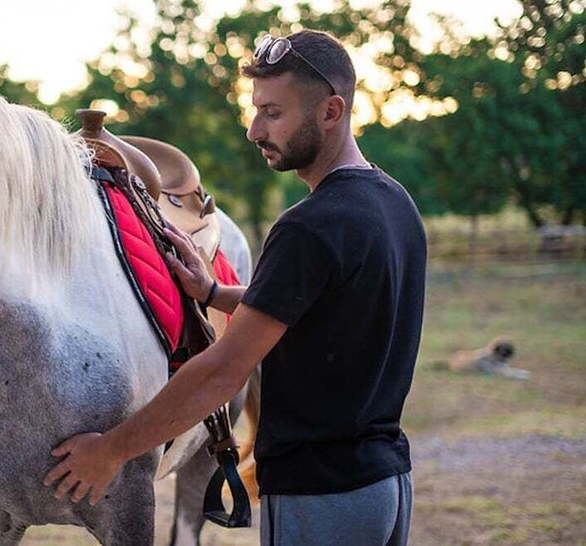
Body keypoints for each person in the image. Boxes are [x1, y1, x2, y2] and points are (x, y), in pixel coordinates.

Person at [44, 29, 426, 545]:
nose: (253, 130)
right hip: (385, 484)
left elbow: (221, 374)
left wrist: (111, 449)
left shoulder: (307, 226)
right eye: (255, 110)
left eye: (273, 113)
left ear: (331, 112)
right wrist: (211, 293)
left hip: (320, 497)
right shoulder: (392, 201)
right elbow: (318, 305)